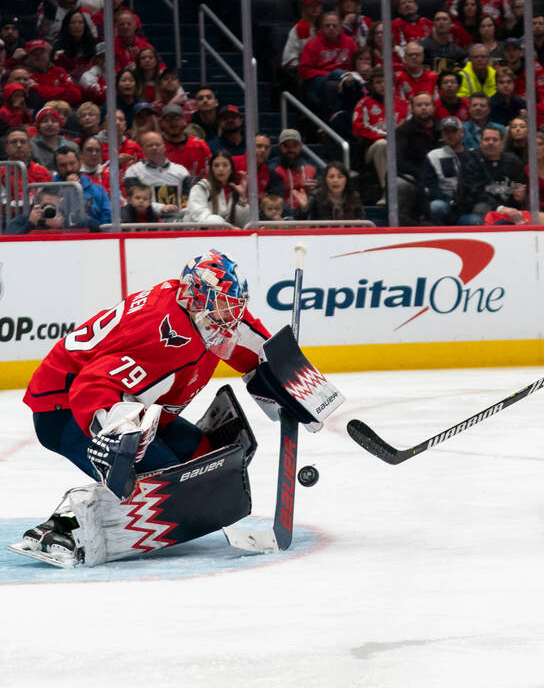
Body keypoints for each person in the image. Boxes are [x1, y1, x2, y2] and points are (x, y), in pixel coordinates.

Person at [16, 251, 339, 566]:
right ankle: (58, 528)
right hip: (66, 408)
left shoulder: (205, 313)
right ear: (196, 297)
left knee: (209, 464)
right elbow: (93, 384)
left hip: (126, 401)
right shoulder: (164, 331)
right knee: (170, 486)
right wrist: (115, 435)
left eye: (233, 306)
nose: (230, 316)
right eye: (223, 306)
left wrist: (295, 385)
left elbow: (255, 347)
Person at [422, 116, 475, 225]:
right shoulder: (433, 156)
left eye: (454, 131)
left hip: (467, 205)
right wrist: (449, 200)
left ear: (462, 132)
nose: (450, 135)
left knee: (475, 221)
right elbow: (430, 186)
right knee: (435, 207)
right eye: (446, 131)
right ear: (442, 134)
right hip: (444, 202)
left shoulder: (473, 155)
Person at [123, 131, 190, 216]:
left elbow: (187, 200)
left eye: (158, 144)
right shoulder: (133, 172)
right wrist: (160, 208)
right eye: (149, 145)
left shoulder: (181, 171)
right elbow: (133, 200)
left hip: (177, 222)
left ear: (164, 147)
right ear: (142, 149)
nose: (154, 148)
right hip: (147, 223)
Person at [183, 151, 251, 227]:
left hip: (225, 236)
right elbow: (201, 216)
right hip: (196, 236)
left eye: (225, 165)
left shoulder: (234, 189)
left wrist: (242, 197)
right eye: (216, 165)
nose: (221, 169)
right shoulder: (201, 187)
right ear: (211, 169)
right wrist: (228, 228)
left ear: (231, 169)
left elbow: (241, 222)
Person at [295, 160, 364, 221]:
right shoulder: (316, 196)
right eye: (331, 177)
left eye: (340, 177)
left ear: (346, 180)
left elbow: (361, 220)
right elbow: (299, 218)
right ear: (325, 179)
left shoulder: (354, 196)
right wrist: (304, 208)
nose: (335, 180)